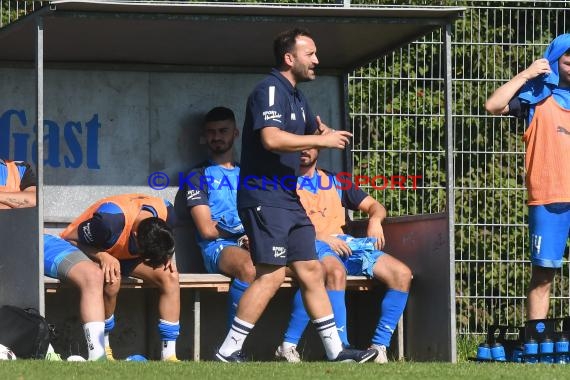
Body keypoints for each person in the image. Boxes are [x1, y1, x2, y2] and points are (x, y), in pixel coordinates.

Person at [215, 27, 377, 363]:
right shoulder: (269, 90)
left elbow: (310, 132)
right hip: (264, 197)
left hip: (288, 198)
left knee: (311, 270)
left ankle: (337, 351)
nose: (317, 60)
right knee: (271, 275)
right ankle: (228, 351)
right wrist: (321, 141)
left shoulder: (298, 98)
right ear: (290, 58)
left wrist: (324, 132)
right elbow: (272, 139)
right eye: (310, 54)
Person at [274, 148, 412, 363]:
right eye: (299, 142)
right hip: (308, 245)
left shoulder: (335, 181)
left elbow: (376, 206)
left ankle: (379, 347)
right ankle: (340, 348)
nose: (304, 149)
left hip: (345, 245)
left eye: (310, 143)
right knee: (334, 271)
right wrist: (320, 236)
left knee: (402, 274)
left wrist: (375, 221)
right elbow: (278, 224)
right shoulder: (281, 182)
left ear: (318, 147)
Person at [485, 33, 570, 320]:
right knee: (544, 276)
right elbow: (493, 106)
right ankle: (537, 341)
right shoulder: (535, 98)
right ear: (555, 60)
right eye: (568, 57)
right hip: (549, 199)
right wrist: (527, 74)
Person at [50, 193, 181, 361]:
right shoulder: (108, 222)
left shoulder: (168, 212)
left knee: (170, 276)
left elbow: (166, 238)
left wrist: (166, 253)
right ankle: (104, 348)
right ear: (134, 236)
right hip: (93, 252)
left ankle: (169, 355)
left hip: (125, 258)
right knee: (112, 279)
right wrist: (102, 255)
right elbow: (70, 239)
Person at [181, 106, 255, 329]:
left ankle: (290, 344)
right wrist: (242, 233)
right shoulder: (197, 175)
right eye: (211, 132)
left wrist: (254, 236)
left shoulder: (249, 174)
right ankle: (232, 345)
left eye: (223, 131)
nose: (217, 137)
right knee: (249, 267)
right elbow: (207, 230)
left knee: (306, 266)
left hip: (252, 243)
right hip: (218, 248)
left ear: (236, 133)